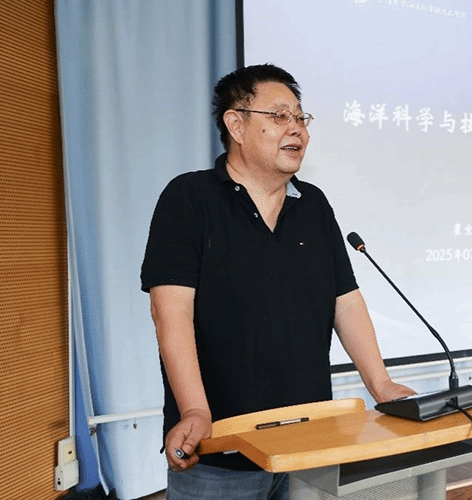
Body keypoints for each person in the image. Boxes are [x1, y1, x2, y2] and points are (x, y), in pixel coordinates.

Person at [140, 63, 415, 500]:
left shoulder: (313, 205)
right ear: (236, 124)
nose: (297, 129)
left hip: (311, 444)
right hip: (222, 447)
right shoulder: (189, 198)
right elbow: (170, 313)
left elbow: (345, 300)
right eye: (280, 116)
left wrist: (380, 384)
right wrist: (194, 409)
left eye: (301, 118)